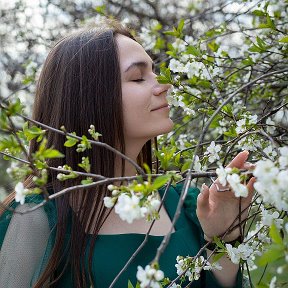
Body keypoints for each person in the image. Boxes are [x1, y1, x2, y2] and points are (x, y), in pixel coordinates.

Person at [0, 19, 255, 288]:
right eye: (137, 77)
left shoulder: (187, 204)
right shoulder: (36, 216)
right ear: (91, 99)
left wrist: (224, 238)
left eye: (154, 72)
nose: (164, 85)